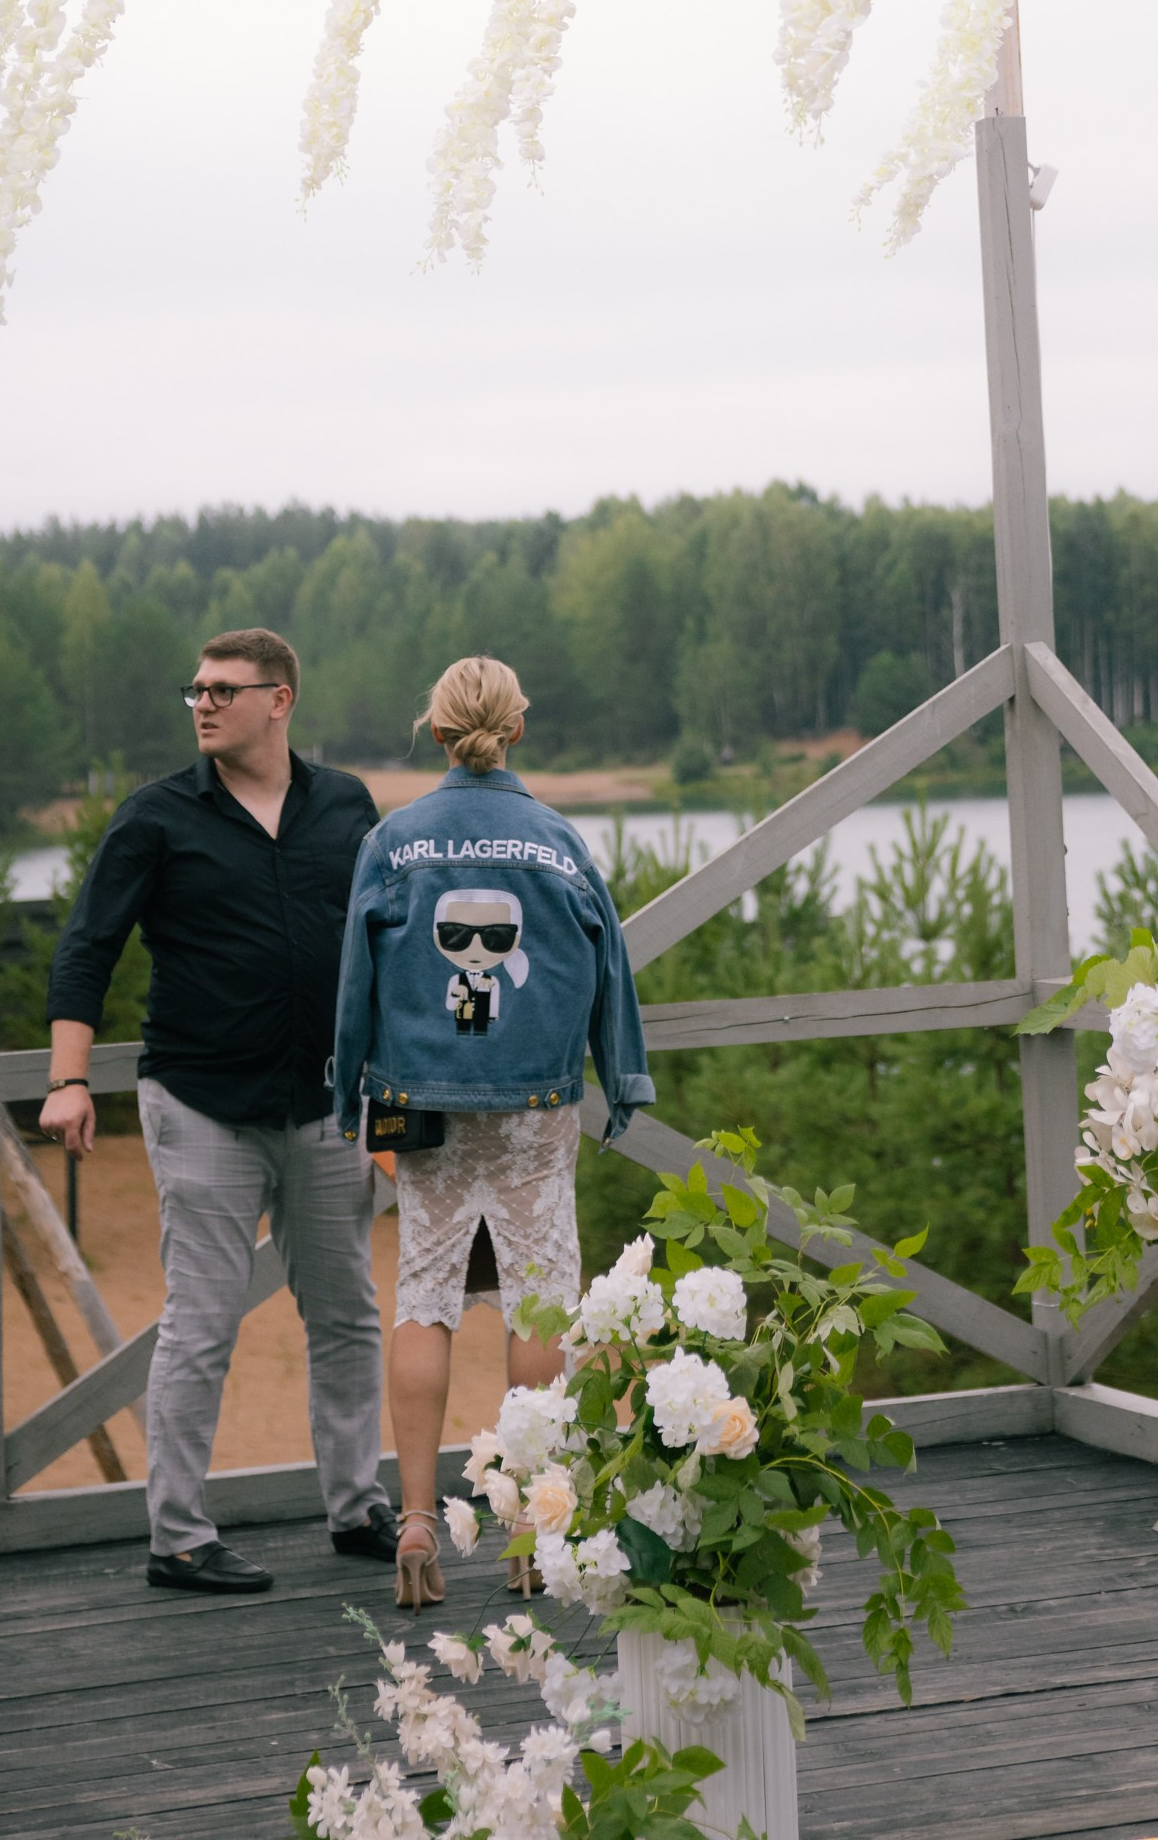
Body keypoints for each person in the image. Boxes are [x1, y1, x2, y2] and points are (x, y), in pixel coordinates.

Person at [42, 625, 394, 1593]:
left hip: (327, 1100)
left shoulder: (346, 805)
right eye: (194, 687)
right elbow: (87, 948)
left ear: (279, 700)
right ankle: (179, 1535)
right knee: (200, 1319)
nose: (201, 701)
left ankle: (359, 1503)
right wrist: (69, 1077)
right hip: (199, 1101)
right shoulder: (155, 817)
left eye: (223, 688)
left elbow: (385, 939)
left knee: (349, 1311)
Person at [331, 654, 653, 1608]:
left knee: (423, 1296)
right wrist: (620, 1074)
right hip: (533, 1105)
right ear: (518, 729)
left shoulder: (394, 840)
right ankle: (528, 1522)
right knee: (540, 1305)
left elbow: (357, 973)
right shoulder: (557, 841)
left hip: (420, 1099)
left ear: (436, 732)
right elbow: (612, 970)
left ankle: (420, 1520)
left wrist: (347, 1080)